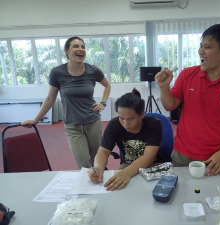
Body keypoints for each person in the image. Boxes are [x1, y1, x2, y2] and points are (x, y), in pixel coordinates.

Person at [155, 24, 220, 176]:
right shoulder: (187, 75)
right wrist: (163, 87)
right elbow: (170, 105)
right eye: (200, 46)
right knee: (182, 197)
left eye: (207, 47)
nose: (200, 51)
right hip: (183, 154)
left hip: (219, 157)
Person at [22, 36, 111, 169]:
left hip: (93, 122)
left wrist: (103, 103)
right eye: (76, 46)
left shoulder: (92, 70)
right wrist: (36, 119)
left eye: (83, 47)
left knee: (97, 161)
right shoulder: (57, 73)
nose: (80, 49)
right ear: (66, 51)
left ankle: (101, 186)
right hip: (72, 125)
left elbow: (107, 85)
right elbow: (50, 99)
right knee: (84, 166)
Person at [88, 88, 162, 191]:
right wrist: (98, 169)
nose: (125, 124)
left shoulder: (154, 124)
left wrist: (126, 173)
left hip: (153, 165)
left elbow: (148, 156)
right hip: (127, 164)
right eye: (121, 118)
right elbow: (103, 151)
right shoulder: (114, 124)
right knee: (119, 191)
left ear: (141, 115)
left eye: (130, 119)